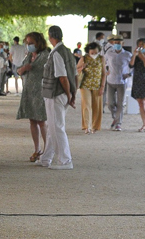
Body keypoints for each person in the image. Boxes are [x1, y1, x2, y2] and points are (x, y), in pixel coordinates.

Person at [37, 25, 77, 170]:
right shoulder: (67, 51)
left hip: (56, 94)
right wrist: (73, 94)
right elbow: (75, 75)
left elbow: (63, 77)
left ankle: (65, 160)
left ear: (50, 36)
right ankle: (46, 158)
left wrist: (68, 94)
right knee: (53, 126)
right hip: (62, 94)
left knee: (56, 128)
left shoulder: (57, 53)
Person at [15, 32, 49, 161]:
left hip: (40, 91)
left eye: (31, 43)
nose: (29, 46)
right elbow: (19, 70)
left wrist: (27, 68)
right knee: (32, 121)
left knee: (41, 120)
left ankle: (47, 149)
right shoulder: (29, 55)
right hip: (29, 91)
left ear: (38, 42)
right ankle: (37, 149)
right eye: (27, 43)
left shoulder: (45, 56)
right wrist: (24, 68)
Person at [103, 35, 132, 131]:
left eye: (119, 43)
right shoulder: (109, 53)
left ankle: (118, 123)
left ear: (122, 44)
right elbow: (103, 62)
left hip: (121, 82)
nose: (117, 45)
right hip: (110, 81)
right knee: (110, 103)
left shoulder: (127, 54)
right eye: (115, 43)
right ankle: (115, 117)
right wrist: (105, 71)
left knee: (120, 103)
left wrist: (129, 74)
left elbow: (133, 66)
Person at [76, 42, 105, 134]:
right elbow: (76, 69)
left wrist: (102, 87)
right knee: (86, 105)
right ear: (88, 51)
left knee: (97, 106)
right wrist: (82, 67)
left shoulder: (101, 58)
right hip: (85, 85)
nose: (93, 54)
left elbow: (104, 73)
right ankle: (86, 126)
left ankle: (95, 126)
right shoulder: (84, 58)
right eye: (92, 53)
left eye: (95, 52)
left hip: (97, 85)